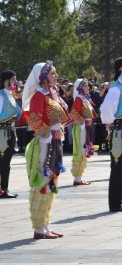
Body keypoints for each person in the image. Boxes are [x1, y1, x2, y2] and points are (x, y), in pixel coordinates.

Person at [23, 62, 69, 239]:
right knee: (42, 182)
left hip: (55, 142)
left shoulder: (52, 94)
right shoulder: (39, 96)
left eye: (56, 73)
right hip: (45, 144)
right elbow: (33, 119)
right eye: (52, 73)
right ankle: (38, 227)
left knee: (52, 183)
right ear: (43, 76)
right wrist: (47, 134)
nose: (56, 76)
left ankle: (45, 224)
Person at [100, 57, 122, 212]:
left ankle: (119, 199)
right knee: (117, 167)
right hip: (119, 133)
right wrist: (110, 123)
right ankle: (115, 202)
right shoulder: (116, 89)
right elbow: (106, 109)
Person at [0, 70, 22, 199]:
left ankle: (4, 189)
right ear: (5, 81)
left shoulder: (10, 95)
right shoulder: (1, 95)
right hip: (2, 132)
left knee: (6, 163)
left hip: (10, 131)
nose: (15, 82)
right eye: (13, 79)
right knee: (2, 162)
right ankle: (2, 190)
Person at [70, 79, 96, 186]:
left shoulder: (85, 98)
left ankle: (79, 177)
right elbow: (74, 113)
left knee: (84, 150)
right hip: (81, 128)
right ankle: (77, 178)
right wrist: (82, 123)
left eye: (87, 86)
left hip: (86, 128)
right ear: (80, 87)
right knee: (80, 151)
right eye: (85, 86)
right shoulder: (79, 99)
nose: (87, 87)